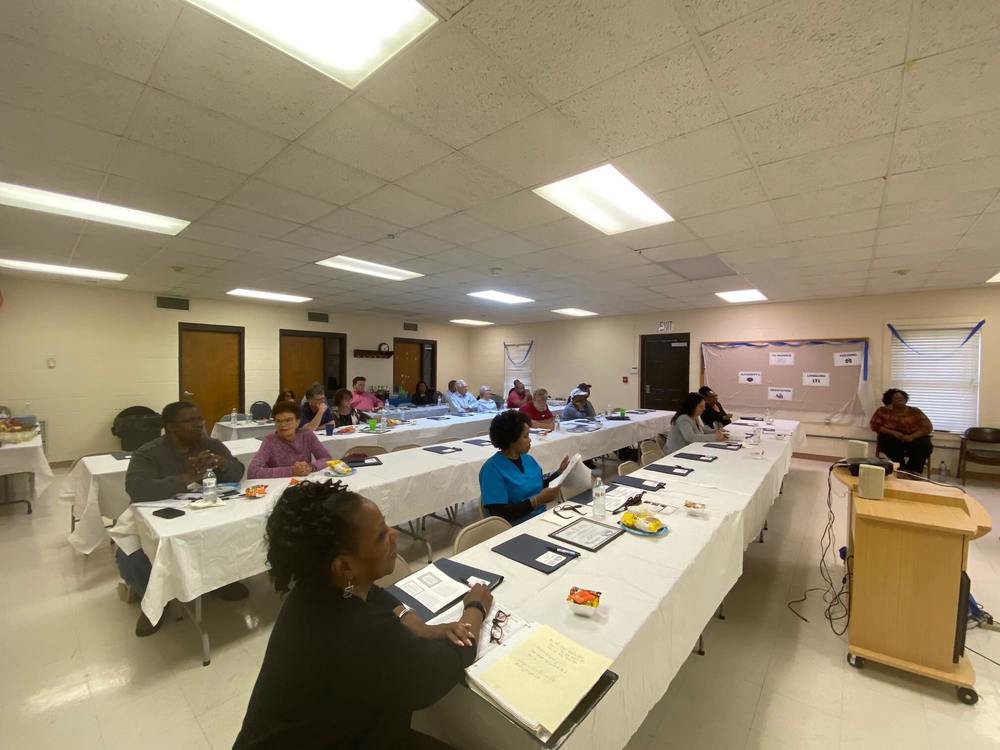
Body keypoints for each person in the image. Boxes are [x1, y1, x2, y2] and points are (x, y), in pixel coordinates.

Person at [234, 480, 490, 750]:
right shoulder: (357, 629)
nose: (393, 535)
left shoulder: (316, 589)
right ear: (344, 565)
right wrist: (475, 608)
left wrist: (415, 623)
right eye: (381, 536)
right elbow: (438, 671)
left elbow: (375, 593)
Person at [121, 401, 247, 637]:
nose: (199, 424)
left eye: (200, 419)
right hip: (159, 518)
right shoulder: (148, 453)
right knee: (132, 555)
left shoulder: (211, 444)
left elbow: (238, 472)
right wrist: (186, 477)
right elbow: (137, 488)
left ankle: (220, 581)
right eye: (190, 421)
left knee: (229, 531)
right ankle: (154, 603)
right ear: (170, 427)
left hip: (203, 513)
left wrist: (223, 464)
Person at [479, 410, 570, 524]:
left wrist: (559, 473)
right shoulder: (492, 470)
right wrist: (536, 501)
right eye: (526, 436)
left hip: (541, 518)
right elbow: (500, 515)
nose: (530, 439)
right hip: (515, 527)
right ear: (512, 439)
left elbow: (537, 486)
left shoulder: (528, 459)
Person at [248, 401, 333, 479]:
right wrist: (292, 470)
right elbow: (252, 472)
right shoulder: (270, 441)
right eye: (278, 421)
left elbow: (327, 458)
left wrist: (310, 467)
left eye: (288, 420)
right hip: (278, 486)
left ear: (298, 422)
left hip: (303, 483)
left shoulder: (307, 435)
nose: (283, 425)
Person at [869, 388, 934, 474]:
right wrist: (893, 433)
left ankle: (913, 471)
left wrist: (912, 436)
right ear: (890, 400)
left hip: (913, 438)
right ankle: (900, 468)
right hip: (892, 437)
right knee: (889, 442)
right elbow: (875, 425)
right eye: (896, 398)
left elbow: (927, 427)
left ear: (906, 399)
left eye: (902, 398)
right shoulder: (883, 411)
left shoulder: (915, 411)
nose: (900, 400)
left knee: (925, 445)